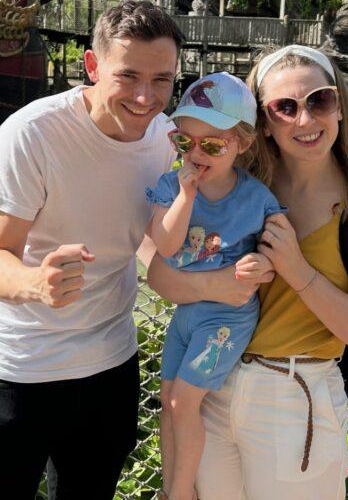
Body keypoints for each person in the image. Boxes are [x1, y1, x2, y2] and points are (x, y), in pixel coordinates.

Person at [0, 1, 197, 500]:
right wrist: (35, 282)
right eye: (127, 76)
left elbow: (147, 235)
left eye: (162, 80)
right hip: (19, 366)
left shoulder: (165, 138)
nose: (145, 97)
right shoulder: (32, 134)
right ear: (92, 65)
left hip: (111, 363)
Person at [147, 44, 348, 500]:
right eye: (284, 107)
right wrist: (219, 285)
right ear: (262, 125)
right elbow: (161, 275)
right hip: (214, 384)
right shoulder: (234, 186)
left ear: (341, 107)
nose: (305, 119)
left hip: (294, 397)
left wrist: (299, 272)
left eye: (320, 100)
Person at [144, 72, 283, 500]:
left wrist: (263, 264)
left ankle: (181, 492)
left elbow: (280, 252)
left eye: (212, 145)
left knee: (183, 403)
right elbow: (166, 244)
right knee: (168, 400)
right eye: (184, 142)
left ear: (242, 143)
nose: (196, 154)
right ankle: (173, 486)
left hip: (227, 318)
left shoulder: (257, 198)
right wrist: (186, 195)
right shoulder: (171, 186)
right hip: (187, 314)